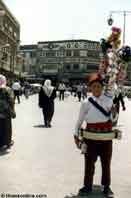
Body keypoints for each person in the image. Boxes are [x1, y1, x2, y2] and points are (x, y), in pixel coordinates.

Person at [74, 73, 114, 197]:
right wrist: (76, 134)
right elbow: (80, 120)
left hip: (106, 138)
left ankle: (106, 187)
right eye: (94, 86)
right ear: (90, 88)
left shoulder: (108, 100)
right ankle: (87, 186)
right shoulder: (86, 102)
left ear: (102, 87)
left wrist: (115, 112)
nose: (96, 89)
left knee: (106, 163)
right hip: (89, 137)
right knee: (89, 163)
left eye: (98, 86)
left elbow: (114, 119)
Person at [0, 74, 16, 151]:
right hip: (6, 113)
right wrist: (13, 111)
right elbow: (11, 101)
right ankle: (7, 142)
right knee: (7, 128)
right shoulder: (8, 89)